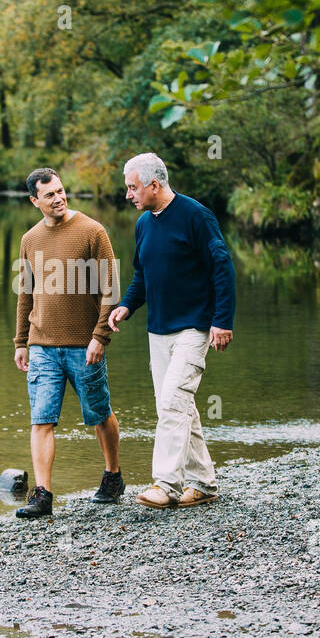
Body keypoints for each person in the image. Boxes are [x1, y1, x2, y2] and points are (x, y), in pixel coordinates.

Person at [107, 153, 235, 508]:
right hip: (157, 330)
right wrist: (126, 306)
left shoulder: (196, 216)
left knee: (172, 403)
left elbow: (222, 267)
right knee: (179, 406)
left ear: (154, 185)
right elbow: (143, 276)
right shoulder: (144, 224)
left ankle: (166, 484)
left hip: (194, 327)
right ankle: (205, 483)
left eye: (132, 188)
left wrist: (222, 320)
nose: (128, 195)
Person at [13, 168, 124, 518]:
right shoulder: (29, 240)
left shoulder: (93, 231)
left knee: (98, 414)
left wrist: (99, 336)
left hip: (84, 344)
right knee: (41, 419)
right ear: (35, 201)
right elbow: (25, 295)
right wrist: (20, 341)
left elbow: (111, 288)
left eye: (61, 191)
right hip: (42, 345)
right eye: (50, 195)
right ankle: (43, 495)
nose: (59, 198)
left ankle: (113, 475)